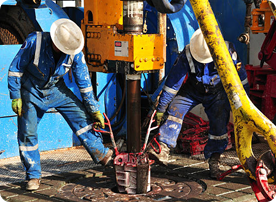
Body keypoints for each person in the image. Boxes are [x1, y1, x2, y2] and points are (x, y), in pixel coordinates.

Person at [8, 18, 113, 191]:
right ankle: (33, 176)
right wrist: (15, 95)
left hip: (56, 89)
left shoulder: (75, 52)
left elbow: (84, 82)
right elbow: (15, 69)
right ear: (55, 41)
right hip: (31, 90)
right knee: (27, 133)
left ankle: (101, 154)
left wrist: (94, 110)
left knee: (80, 117)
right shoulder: (35, 42)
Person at [148, 28, 249, 179]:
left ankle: (214, 159)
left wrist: (245, 106)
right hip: (193, 89)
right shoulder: (187, 53)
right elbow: (172, 85)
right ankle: (162, 148)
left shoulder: (228, 51)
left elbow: (241, 79)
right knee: (175, 109)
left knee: (219, 122)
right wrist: (162, 108)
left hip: (217, 92)